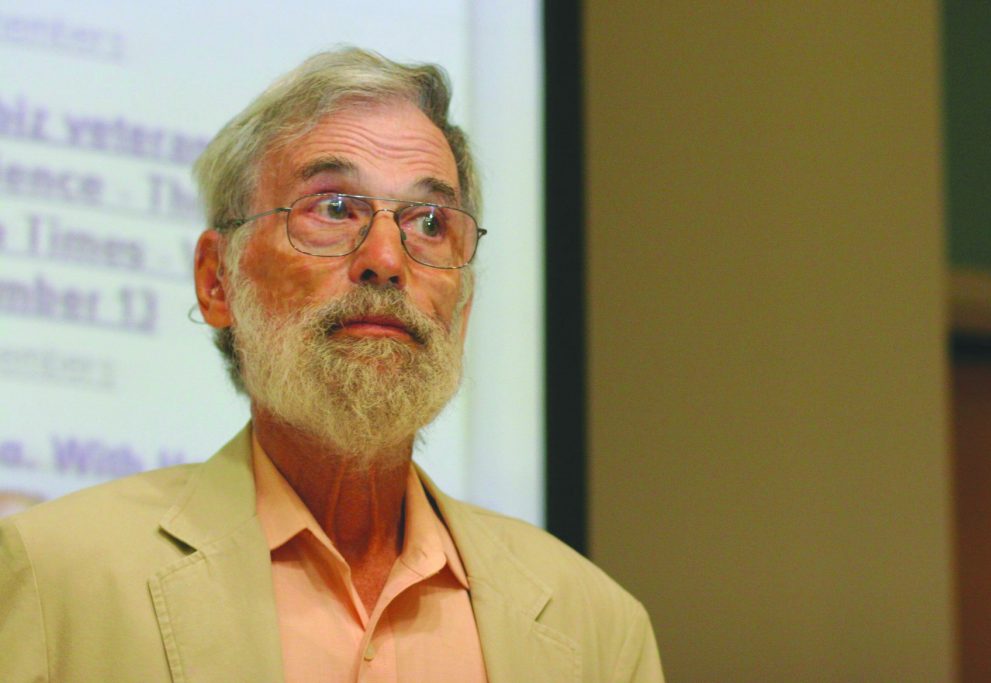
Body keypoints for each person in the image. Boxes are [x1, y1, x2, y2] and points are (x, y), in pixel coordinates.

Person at [0, 47, 663, 682]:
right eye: (335, 208)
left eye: (430, 222)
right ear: (217, 280)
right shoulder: (55, 578)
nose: (387, 258)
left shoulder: (597, 628)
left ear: (462, 309)